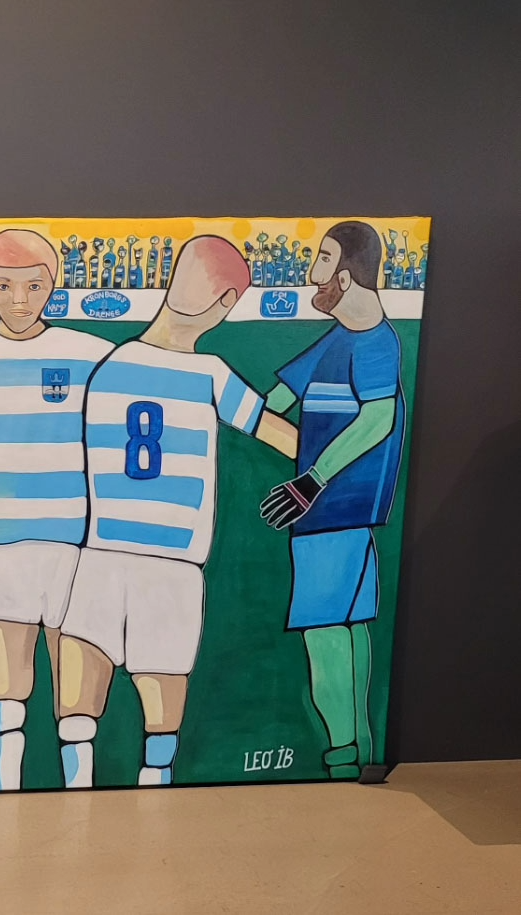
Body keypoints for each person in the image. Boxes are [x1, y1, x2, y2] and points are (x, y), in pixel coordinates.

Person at [57, 236, 298, 788]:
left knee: (79, 701)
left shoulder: (107, 366)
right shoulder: (211, 374)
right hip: (172, 560)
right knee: (161, 704)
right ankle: (155, 789)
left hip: (104, 550)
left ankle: (74, 790)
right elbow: (280, 436)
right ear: (226, 303)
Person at [0, 230, 114, 791]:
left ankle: (81, 784)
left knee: (77, 672)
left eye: (34, 286)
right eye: (4, 286)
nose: (19, 300)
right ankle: (4, 781)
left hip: (73, 538)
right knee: (7, 681)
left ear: (54, 285)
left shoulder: (90, 354)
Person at [259, 221, 405, 778]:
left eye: (321, 259)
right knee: (349, 629)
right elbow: (276, 398)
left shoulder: (375, 343)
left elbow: (378, 419)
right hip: (337, 517)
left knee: (326, 636)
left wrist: (310, 481)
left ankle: (344, 758)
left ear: (344, 276)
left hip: (333, 515)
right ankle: (358, 755)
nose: (310, 273)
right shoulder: (337, 339)